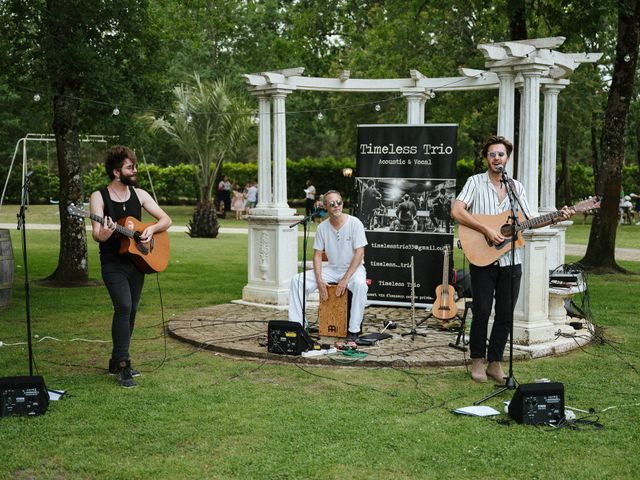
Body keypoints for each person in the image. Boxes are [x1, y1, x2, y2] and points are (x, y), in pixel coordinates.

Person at [451, 135, 573, 383]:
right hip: (482, 259)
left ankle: (495, 363)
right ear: (486, 158)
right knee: (483, 311)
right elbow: (457, 210)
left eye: (501, 154)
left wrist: (557, 216)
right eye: (492, 154)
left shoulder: (516, 187)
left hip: (511, 259)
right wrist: (486, 230)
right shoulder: (475, 182)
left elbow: (530, 219)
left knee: (505, 314)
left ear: (508, 158)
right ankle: (477, 361)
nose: (497, 158)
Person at [89, 145, 172, 388]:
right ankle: (124, 365)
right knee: (123, 306)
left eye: (134, 166)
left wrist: (150, 230)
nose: (134, 170)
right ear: (116, 172)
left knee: (132, 310)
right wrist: (105, 231)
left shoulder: (141, 194)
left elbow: (166, 219)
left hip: (138, 262)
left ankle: (116, 359)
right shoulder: (98, 197)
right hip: (113, 263)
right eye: (130, 167)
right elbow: (97, 235)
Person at [288, 190, 368, 340]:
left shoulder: (355, 223)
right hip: (331, 268)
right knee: (298, 281)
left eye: (339, 202)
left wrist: (345, 279)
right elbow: (317, 255)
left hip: (353, 269)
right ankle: (297, 325)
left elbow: (360, 253)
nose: (336, 206)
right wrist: (319, 280)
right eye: (332, 204)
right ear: (325, 206)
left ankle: (353, 330)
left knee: (360, 285)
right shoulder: (322, 227)